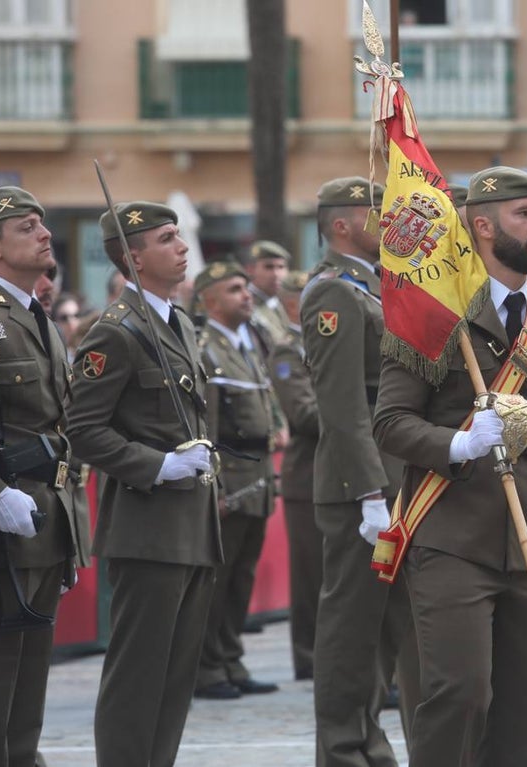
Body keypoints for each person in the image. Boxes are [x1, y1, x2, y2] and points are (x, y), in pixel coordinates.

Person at [373, 167, 527, 765]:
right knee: (459, 691)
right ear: (482, 226)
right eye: (523, 215)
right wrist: (456, 445)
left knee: (523, 698)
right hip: (450, 529)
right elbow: (391, 421)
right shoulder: (435, 313)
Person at [68, 201, 219, 767]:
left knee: (175, 680)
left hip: (192, 525)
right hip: (147, 525)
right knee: (138, 677)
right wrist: (157, 465)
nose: (181, 247)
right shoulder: (115, 331)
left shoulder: (176, 323)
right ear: (134, 257)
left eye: (180, 234)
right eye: (166, 238)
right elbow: (82, 430)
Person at [302, 177, 418, 767]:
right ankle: (344, 750)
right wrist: (370, 491)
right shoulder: (334, 294)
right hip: (361, 489)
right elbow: (343, 405)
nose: (387, 221)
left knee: (383, 629)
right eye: (375, 212)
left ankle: (368, 741)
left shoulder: (374, 288)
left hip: (394, 480)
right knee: (352, 629)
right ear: (342, 224)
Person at [0, 186, 89, 766]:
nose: (45, 234)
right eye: (27, 227)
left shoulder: (38, 318)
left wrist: (67, 533)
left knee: (28, 686)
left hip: (44, 522)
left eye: (44, 224)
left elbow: (58, 425)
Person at [191, 262, 280, 699]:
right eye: (233, 289)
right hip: (230, 480)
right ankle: (207, 668)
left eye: (246, 288)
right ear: (210, 301)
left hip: (258, 478)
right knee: (217, 582)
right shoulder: (207, 348)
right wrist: (216, 488)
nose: (246, 295)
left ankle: (231, 658)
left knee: (241, 577)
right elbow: (204, 427)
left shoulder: (250, 342)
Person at [269, 270, 323, 681]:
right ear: (293, 304)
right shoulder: (289, 352)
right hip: (308, 475)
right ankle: (309, 657)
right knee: (311, 574)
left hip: (334, 471)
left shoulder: (327, 341)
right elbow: (303, 414)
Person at [245, 240, 293, 348]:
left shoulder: (282, 303)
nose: (276, 274)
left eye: (281, 267)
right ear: (250, 270)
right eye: (268, 267)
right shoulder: (246, 304)